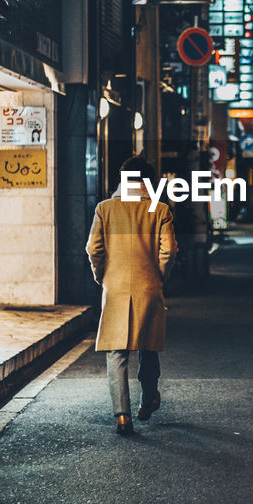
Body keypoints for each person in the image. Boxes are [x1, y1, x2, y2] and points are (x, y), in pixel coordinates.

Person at [86, 156, 177, 435]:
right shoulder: (160, 210)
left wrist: (103, 277)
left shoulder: (105, 208)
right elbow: (169, 250)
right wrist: (159, 276)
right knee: (148, 347)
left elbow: (93, 249)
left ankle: (122, 415)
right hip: (149, 287)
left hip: (115, 287)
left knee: (117, 352)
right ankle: (147, 399)